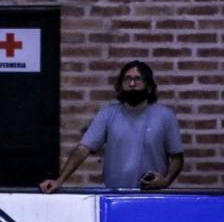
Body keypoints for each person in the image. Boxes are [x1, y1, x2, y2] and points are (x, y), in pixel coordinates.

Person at [39, 60, 184, 192]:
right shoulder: (107, 114)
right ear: (120, 85)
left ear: (150, 86)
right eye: (127, 79)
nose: (132, 84)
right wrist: (59, 181)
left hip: (153, 195)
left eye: (137, 79)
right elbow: (83, 149)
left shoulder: (165, 116)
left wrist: (165, 181)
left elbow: (177, 157)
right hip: (115, 195)